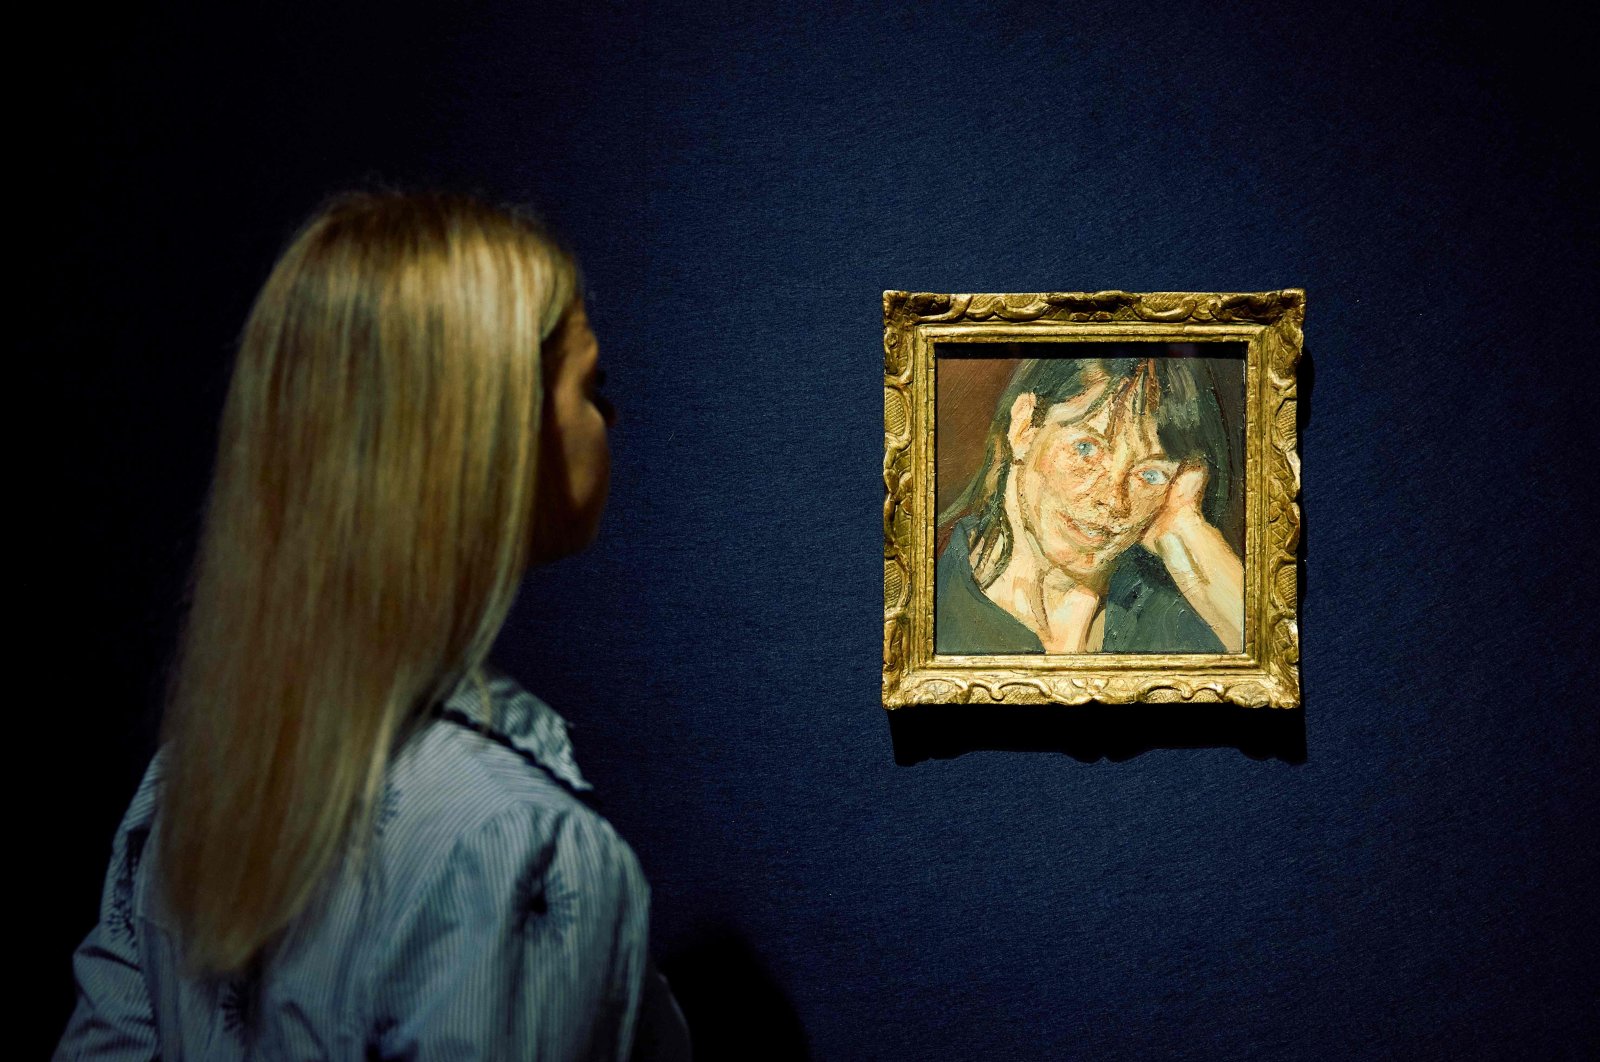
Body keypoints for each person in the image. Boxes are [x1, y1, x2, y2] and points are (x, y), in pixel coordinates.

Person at [55, 191, 688, 1059]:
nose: (609, 419)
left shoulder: (188, 787)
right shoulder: (521, 850)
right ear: (491, 431)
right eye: (591, 385)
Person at [935, 349, 1244, 655]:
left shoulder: (1171, 610)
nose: (1113, 500)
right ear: (1025, 427)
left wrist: (1185, 527)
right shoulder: (931, 613)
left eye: (1149, 474)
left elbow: (1278, 670)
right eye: (1086, 448)